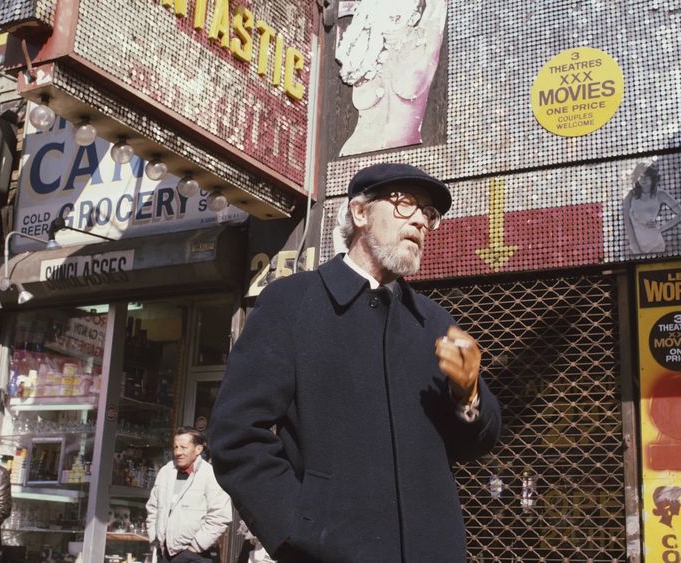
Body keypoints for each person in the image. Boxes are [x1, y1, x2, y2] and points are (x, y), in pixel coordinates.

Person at [209, 162, 502, 563]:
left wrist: (468, 395)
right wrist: (298, 532)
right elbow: (236, 436)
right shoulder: (292, 303)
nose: (420, 220)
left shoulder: (434, 323)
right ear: (360, 213)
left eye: (428, 213)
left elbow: (478, 444)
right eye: (404, 204)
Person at [334, 0, 446, 155]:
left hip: (406, 161)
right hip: (353, 159)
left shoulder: (425, 42)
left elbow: (437, 7)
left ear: (415, 15)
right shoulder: (363, 53)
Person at [146, 427, 232, 563]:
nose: (178, 452)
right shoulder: (166, 472)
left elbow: (220, 516)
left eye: (183, 447)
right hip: (165, 554)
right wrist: (154, 539)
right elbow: (153, 508)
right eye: (175, 447)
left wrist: (194, 548)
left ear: (198, 449)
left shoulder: (209, 474)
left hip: (196, 556)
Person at [622, 161, 681, 254]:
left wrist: (661, 226)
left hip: (656, 245)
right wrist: (635, 248)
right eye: (640, 176)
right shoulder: (630, 196)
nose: (643, 179)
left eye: (646, 176)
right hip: (636, 247)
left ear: (653, 177)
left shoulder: (660, 194)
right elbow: (628, 225)